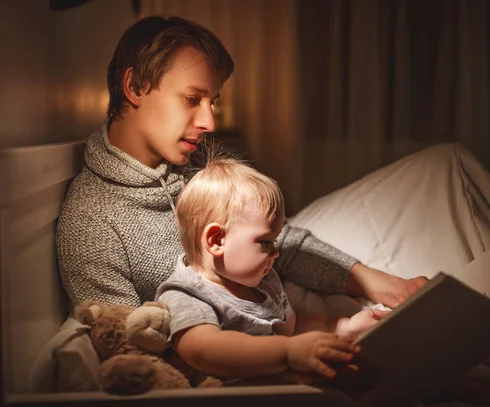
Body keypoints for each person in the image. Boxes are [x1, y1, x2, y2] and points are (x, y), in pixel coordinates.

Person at [56, 16, 427, 312]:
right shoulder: (91, 223)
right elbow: (130, 353)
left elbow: (280, 241)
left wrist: (388, 286)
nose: (210, 122)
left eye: (212, 102)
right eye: (191, 99)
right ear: (135, 86)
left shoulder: (196, 162)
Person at [155, 155, 388, 381]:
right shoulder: (186, 294)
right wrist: (287, 352)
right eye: (265, 241)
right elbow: (203, 350)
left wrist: (342, 328)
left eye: (275, 241)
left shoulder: (262, 283)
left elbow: (291, 327)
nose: (275, 253)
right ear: (217, 241)